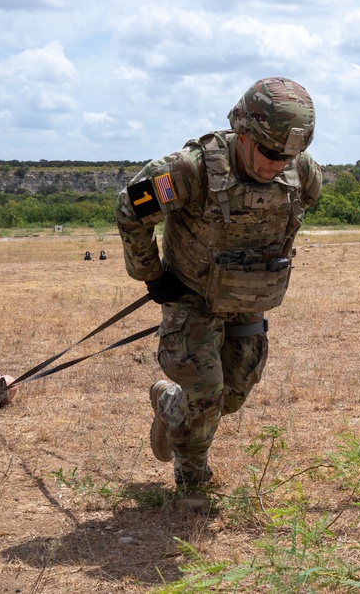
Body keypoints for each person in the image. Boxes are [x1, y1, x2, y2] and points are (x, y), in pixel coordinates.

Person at [116, 77, 322, 506]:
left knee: (234, 393)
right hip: (190, 293)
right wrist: (153, 275)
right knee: (206, 392)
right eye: (269, 152)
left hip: (246, 299)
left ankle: (168, 404)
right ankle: (192, 481)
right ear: (242, 133)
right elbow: (131, 209)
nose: (276, 164)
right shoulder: (190, 169)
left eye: (288, 154)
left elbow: (305, 198)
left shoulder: (298, 169)